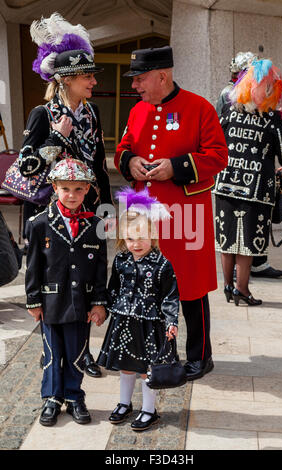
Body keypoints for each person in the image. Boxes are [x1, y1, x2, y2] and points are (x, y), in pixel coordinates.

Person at [114, 46, 228, 381]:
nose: (135, 86)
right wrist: (130, 161)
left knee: (190, 287)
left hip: (185, 215)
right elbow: (124, 148)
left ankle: (200, 356)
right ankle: (159, 352)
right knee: (150, 285)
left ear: (162, 76)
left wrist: (176, 167)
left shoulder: (200, 108)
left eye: (140, 79)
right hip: (144, 217)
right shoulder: (137, 111)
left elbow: (218, 156)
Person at [19, 12, 113, 377]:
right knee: (55, 285)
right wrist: (57, 137)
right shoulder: (41, 114)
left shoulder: (92, 113)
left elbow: (99, 165)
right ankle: (53, 355)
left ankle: (82, 353)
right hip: (52, 217)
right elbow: (27, 167)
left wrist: (105, 207)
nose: (92, 81)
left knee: (87, 284)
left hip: (88, 214)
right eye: (87, 76)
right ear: (67, 79)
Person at [25, 158, 108, 426]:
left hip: (81, 302)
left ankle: (74, 396)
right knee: (52, 353)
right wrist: (33, 300)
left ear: (87, 189)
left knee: (76, 352)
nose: (72, 195)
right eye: (65, 189)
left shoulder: (95, 225)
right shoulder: (39, 224)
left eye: (78, 189)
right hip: (50, 302)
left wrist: (98, 302)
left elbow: (99, 268)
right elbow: (33, 266)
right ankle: (51, 397)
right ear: (54, 188)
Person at [213, 59, 282, 305]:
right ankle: (243, 290)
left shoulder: (229, 112)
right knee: (247, 243)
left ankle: (228, 287)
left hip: (226, 183)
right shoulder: (273, 118)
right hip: (256, 188)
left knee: (227, 239)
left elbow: (215, 142)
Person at [97, 187, 179, 431]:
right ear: (123, 238)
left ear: (153, 235)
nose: (136, 243)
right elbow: (113, 288)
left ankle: (148, 410)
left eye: (142, 237)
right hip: (124, 321)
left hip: (149, 324)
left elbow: (170, 296)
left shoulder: (163, 265)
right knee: (125, 364)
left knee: (146, 369)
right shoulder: (121, 260)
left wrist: (171, 320)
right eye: (130, 238)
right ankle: (124, 403)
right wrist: (102, 307)